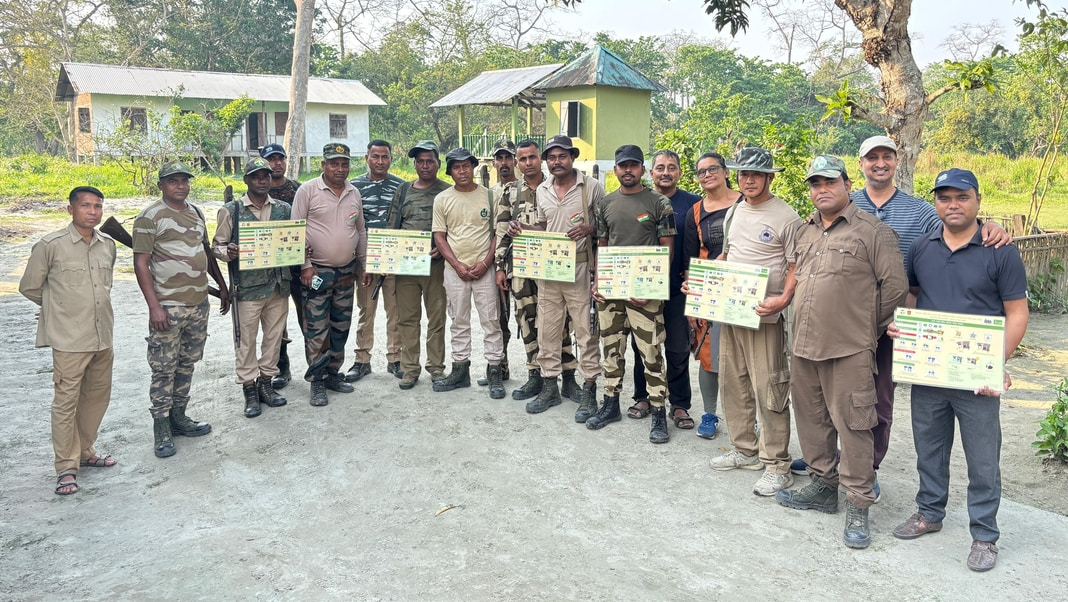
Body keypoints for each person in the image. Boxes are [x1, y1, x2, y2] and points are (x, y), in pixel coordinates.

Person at [790, 135, 1012, 498]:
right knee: (827, 396)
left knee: (876, 400)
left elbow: (954, 227)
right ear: (859, 166)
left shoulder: (920, 209)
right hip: (840, 325)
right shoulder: (839, 206)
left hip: (895, 323)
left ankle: (866, 468)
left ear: (897, 161)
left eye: (886, 157)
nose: (879, 163)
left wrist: (989, 227)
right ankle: (829, 465)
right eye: (871, 157)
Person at [889, 168, 1028, 572]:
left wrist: (994, 363)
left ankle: (984, 534)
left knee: (983, 458)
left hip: (975, 377)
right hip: (931, 371)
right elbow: (913, 295)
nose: (953, 205)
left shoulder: (1000, 251)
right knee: (928, 447)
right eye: (944, 197)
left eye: (961, 197)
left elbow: (1017, 314)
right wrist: (905, 326)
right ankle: (929, 513)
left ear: (977, 201)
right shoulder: (921, 247)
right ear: (936, 203)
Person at [775, 155, 908, 550]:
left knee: (854, 426)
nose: (822, 190)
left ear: (847, 185)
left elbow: (895, 288)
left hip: (849, 348)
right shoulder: (805, 230)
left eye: (829, 182)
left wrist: (865, 327)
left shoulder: (873, 232)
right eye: (815, 184)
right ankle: (821, 486)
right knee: (812, 420)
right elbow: (797, 278)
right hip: (804, 345)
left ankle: (858, 504)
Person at [706, 147, 800, 496]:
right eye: (743, 174)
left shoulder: (785, 216)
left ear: (769, 177)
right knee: (734, 382)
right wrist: (704, 282)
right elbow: (727, 255)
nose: (748, 180)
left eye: (756, 175)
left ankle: (777, 463)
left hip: (766, 317)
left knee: (769, 388)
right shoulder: (735, 212)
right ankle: (745, 449)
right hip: (732, 312)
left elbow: (795, 266)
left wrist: (783, 298)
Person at [19, 186, 117, 495]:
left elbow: (105, 285)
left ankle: (85, 451)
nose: (92, 211)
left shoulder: (107, 245)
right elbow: (31, 287)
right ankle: (66, 466)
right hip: (70, 340)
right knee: (65, 403)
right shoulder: (50, 245)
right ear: (70, 209)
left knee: (96, 398)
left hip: (103, 336)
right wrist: (54, 310)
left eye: (97, 206)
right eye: (86, 206)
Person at [133, 160, 230, 458]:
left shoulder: (196, 213)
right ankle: (161, 426)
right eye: (173, 181)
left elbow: (205, 252)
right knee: (163, 367)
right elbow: (140, 263)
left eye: (184, 180)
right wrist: (154, 307)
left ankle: (179, 416)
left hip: (198, 304)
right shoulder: (150, 217)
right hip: (168, 306)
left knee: (187, 362)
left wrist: (222, 287)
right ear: (161, 184)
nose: (180, 185)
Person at [506, 135, 602, 420]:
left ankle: (589, 390)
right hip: (549, 270)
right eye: (552, 157)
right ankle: (550, 386)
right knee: (547, 330)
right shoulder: (544, 190)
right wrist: (522, 227)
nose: (556, 162)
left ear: (572, 157)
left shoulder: (591, 187)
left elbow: (606, 227)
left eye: (562, 156)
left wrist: (589, 229)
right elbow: (545, 227)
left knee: (585, 333)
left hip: (580, 269)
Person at [587, 145, 676, 444]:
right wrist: (598, 281)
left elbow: (667, 248)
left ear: (642, 169)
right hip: (612, 291)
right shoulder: (605, 204)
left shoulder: (659, 202)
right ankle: (610, 404)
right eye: (623, 165)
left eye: (634, 165)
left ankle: (659, 411)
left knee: (651, 353)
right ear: (615, 170)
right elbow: (601, 244)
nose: (628, 170)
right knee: (611, 349)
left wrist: (651, 287)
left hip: (645, 292)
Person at [495, 139, 581, 406]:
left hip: (554, 266)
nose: (527, 163)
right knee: (527, 320)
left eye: (532, 157)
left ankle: (568, 377)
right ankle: (536, 373)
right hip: (521, 268)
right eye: (522, 159)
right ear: (516, 163)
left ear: (540, 159)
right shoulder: (510, 191)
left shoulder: (552, 186)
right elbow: (500, 230)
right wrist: (500, 267)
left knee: (562, 322)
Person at [626, 150, 701, 430]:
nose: (665, 172)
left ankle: (680, 404)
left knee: (678, 347)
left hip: (677, 287)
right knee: (642, 346)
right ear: (650, 172)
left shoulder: (693, 204)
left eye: (672, 167)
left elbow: (698, 246)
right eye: (660, 167)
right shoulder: (638, 201)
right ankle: (643, 397)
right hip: (642, 287)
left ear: (680, 172)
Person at [211, 158, 292, 418]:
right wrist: (229, 252)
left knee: (274, 338)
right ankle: (249, 389)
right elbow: (216, 246)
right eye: (256, 176)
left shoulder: (283, 209)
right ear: (246, 179)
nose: (262, 181)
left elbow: (292, 241)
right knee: (246, 341)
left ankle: (266, 384)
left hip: (278, 285)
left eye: (266, 176)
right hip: (246, 288)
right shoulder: (231, 210)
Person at [291, 143, 370, 406]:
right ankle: (317, 381)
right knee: (316, 327)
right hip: (316, 271)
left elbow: (360, 231)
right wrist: (305, 265)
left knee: (340, 325)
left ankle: (334, 373)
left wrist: (364, 264)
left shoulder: (353, 193)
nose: (340, 168)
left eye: (344, 163)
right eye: (334, 163)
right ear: (323, 165)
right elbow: (295, 230)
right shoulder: (308, 191)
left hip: (346, 272)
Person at [432, 148, 506, 399]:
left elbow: (498, 233)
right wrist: (456, 264)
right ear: (450, 171)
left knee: (490, 321)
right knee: (459, 320)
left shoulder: (489, 196)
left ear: (473, 167)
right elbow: (439, 236)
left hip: (484, 270)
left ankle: (495, 370)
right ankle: (460, 371)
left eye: (466, 166)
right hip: (455, 271)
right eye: (456, 167)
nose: (462, 171)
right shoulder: (442, 199)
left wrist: (486, 263)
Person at [683, 152, 742, 439]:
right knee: (709, 356)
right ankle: (709, 413)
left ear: (726, 171)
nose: (707, 175)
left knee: (745, 358)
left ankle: (747, 418)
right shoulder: (696, 211)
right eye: (701, 172)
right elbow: (691, 260)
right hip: (710, 292)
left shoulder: (746, 202)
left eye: (713, 169)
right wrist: (694, 304)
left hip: (744, 290)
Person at [390, 140, 450, 390]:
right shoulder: (403, 191)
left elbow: (454, 230)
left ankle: (436, 367)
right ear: (414, 164)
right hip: (408, 267)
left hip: (436, 266)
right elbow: (391, 228)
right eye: (420, 161)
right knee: (407, 318)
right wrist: (386, 260)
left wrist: (444, 249)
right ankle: (410, 368)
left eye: (429, 161)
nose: (425, 166)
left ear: (438, 163)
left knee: (436, 318)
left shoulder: (447, 192)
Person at [346, 139, 406, 382]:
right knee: (365, 310)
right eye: (375, 156)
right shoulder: (354, 187)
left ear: (391, 159)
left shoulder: (402, 187)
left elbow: (405, 222)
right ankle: (362, 360)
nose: (380, 161)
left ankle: (395, 358)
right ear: (367, 158)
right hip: (365, 260)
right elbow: (350, 224)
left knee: (396, 311)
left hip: (394, 258)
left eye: (385, 157)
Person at [259, 142, 301, 389]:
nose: (277, 163)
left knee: (308, 317)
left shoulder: (298, 188)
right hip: (270, 267)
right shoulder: (257, 189)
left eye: (280, 158)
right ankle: (280, 366)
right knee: (277, 322)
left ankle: (316, 366)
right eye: (271, 159)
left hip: (297, 264)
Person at [478, 140, 519, 387]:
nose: (504, 163)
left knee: (530, 318)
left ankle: (539, 371)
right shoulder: (489, 193)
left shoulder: (526, 189)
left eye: (508, 158)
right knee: (498, 317)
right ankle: (499, 365)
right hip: (497, 263)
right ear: (493, 162)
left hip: (523, 262)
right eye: (499, 158)